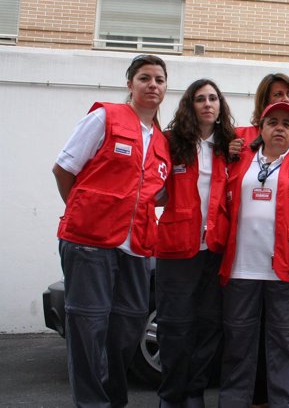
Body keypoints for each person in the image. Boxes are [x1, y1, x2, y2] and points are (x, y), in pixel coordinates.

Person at [52, 54, 172, 407]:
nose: (153, 85)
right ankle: (93, 404)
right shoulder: (105, 117)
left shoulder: (163, 143)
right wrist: (83, 213)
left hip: (135, 247)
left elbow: (156, 193)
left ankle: (114, 400)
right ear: (130, 84)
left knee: (129, 326)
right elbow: (64, 169)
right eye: (145, 78)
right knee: (88, 328)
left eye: (159, 80)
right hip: (89, 244)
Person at [217, 102, 289, 407]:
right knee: (238, 345)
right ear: (261, 128)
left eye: (287, 124)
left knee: (287, 344)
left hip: (288, 268)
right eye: (273, 122)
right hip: (241, 270)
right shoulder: (238, 161)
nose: (280, 128)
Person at [155, 79, 235, 407]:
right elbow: (154, 187)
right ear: (190, 105)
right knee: (175, 325)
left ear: (220, 106)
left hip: (214, 248)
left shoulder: (230, 145)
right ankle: (171, 395)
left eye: (213, 98)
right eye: (200, 99)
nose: (207, 104)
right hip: (176, 248)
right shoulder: (171, 142)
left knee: (208, 325)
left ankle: (194, 392)